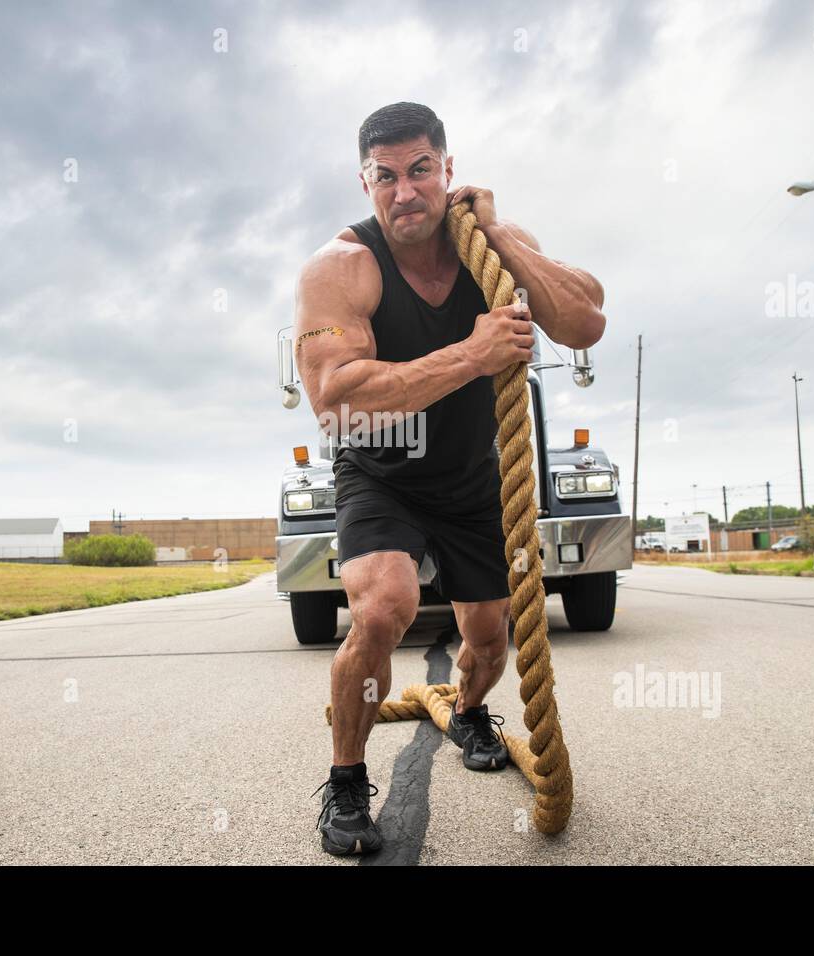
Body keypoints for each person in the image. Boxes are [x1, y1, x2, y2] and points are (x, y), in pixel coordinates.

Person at [294, 102, 607, 856]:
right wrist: (472, 355)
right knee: (381, 608)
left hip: (472, 478)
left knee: (491, 639)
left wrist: (497, 236)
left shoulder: (492, 250)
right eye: (387, 176)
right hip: (381, 473)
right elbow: (335, 396)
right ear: (365, 183)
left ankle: (468, 711)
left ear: (448, 169)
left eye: (421, 170)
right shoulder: (341, 268)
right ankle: (343, 783)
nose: (406, 192)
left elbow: (585, 320)